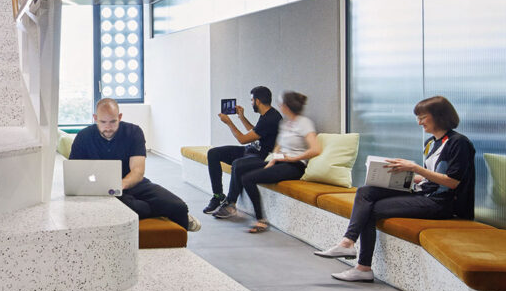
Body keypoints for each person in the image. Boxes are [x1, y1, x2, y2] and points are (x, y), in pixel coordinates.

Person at [320, 96, 476, 283]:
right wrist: (400, 174)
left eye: (423, 117)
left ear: (439, 116)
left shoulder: (459, 143)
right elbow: (431, 176)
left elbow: (452, 182)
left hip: (442, 203)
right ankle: (347, 243)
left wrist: (414, 168)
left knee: (369, 209)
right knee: (365, 192)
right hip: (424, 192)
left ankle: (362, 267)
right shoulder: (431, 143)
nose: (419, 122)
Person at [70, 98, 201, 232]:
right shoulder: (83, 137)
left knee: (179, 207)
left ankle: (178, 238)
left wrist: (121, 185)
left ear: (119, 117)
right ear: (95, 118)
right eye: (103, 122)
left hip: (133, 183)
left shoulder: (133, 132)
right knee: (131, 208)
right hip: (102, 190)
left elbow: (138, 171)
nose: (108, 127)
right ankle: (160, 211)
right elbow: (74, 173)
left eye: (113, 121)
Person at [219, 91, 320, 233]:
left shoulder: (304, 123)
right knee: (240, 165)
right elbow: (279, 145)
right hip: (280, 161)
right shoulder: (285, 122)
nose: (279, 106)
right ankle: (231, 204)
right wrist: (272, 160)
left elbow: (316, 149)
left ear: (286, 106)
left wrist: (292, 158)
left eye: (281, 103)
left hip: (295, 166)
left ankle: (261, 220)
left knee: (248, 179)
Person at [203, 86, 281, 215]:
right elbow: (255, 132)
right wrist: (241, 117)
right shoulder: (267, 115)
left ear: (257, 101)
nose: (251, 103)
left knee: (238, 163)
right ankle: (218, 196)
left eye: (251, 100)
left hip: (259, 157)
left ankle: (230, 203)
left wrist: (229, 123)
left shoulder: (271, 118)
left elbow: (242, 139)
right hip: (250, 150)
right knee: (213, 153)